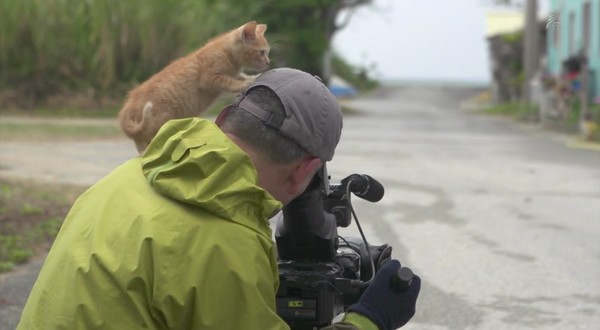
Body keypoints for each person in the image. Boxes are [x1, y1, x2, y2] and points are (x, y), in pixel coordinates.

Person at [18, 68, 420, 330]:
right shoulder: (226, 243)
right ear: (305, 169)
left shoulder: (121, 181)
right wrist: (370, 319)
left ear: (225, 120)